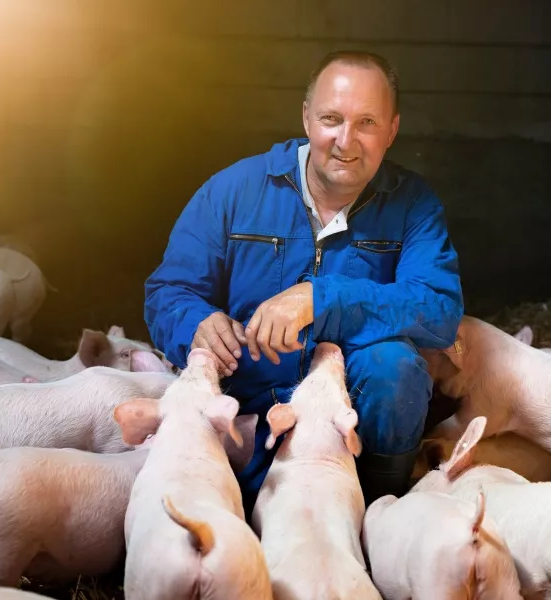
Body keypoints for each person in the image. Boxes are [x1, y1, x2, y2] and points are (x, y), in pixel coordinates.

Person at [143, 50, 464, 512]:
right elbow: (168, 291)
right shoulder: (233, 191)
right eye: (331, 119)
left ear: (392, 130)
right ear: (307, 117)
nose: (345, 141)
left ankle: (379, 511)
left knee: (394, 365)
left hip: (352, 417)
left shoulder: (413, 204)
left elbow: (439, 309)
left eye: (367, 123)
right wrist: (196, 323)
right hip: (245, 406)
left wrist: (322, 296)